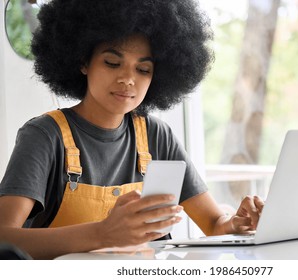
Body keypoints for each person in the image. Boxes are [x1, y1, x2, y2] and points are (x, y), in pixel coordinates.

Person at [0, 0, 264, 259]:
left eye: (143, 69)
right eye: (112, 63)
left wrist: (237, 224)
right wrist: (103, 233)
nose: (128, 79)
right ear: (83, 62)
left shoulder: (156, 136)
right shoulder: (45, 135)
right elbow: (3, 238)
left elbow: (214, 224)